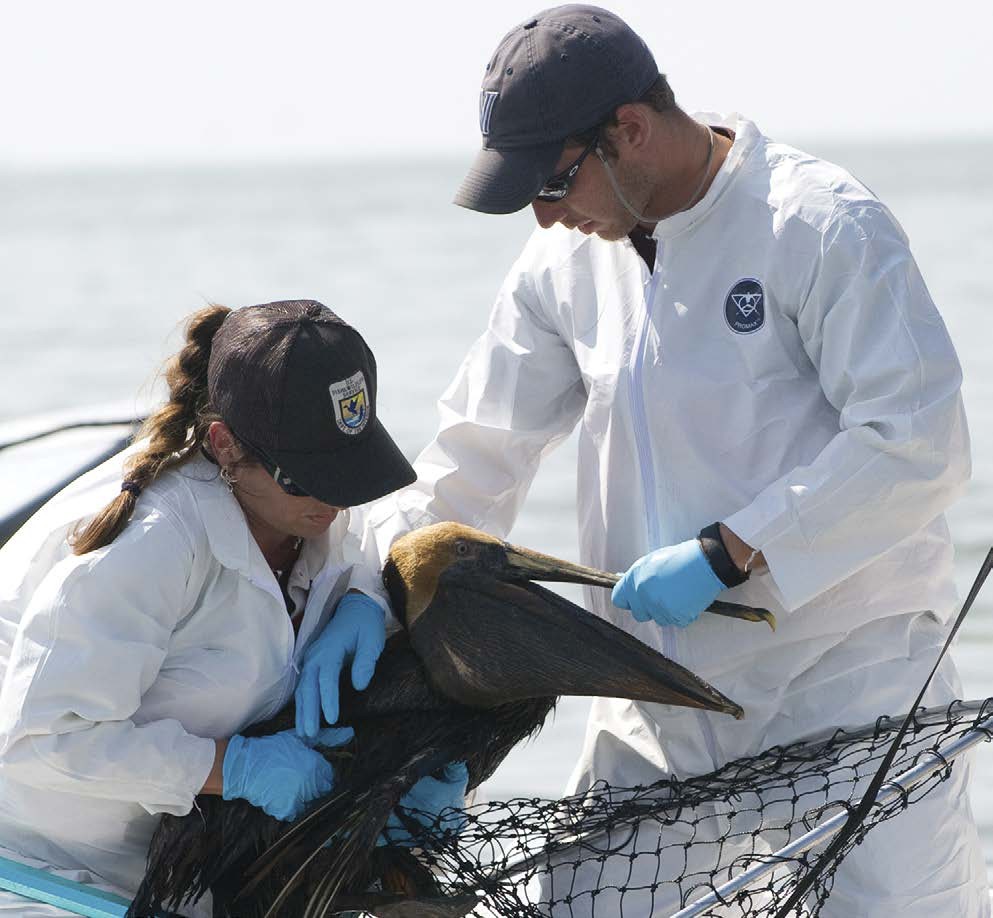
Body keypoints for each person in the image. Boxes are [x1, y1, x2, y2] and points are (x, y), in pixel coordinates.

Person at [361, 6, 990, 916]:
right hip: (654, 692)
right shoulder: (559, 265)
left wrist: (730, 550)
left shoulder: (819, 225)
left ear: (631, 130)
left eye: (553, 181)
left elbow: (917, 442)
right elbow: (475, 452)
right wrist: (369, 590)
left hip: (851, 675)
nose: (544, 213)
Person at [0, 300, 466, 917]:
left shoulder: (300, 501)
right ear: (224, 446)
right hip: (42, 867)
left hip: (177, 869)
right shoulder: (148, 545)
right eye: (307, 477)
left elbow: (373, 543)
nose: (334, 497)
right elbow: (41, 739)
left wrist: (366, 601)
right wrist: (232, 768)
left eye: (351, 470)